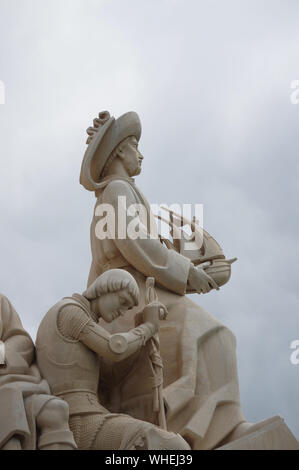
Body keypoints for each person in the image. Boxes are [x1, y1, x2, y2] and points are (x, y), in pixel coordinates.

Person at [79, 110, 248, 450]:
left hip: (146, 291)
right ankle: (208, 428)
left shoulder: (124, 192)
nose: (140, 154)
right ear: (118, 153)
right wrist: (188, 273)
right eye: (134, 145)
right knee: (210, 332)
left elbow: (149, 248)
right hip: (129, 299)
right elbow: (138, 245)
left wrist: (191, 267)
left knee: (213, 334)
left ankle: (222, 425)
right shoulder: (115, 191)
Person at [35, 269, 190, 450]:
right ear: (105, 288)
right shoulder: (70, 312)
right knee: (172, 446)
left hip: (90, 415)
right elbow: (115, 348)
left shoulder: (85, 323)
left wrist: (143, 334)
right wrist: (148, 327)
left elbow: (112, 373)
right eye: (122, 301)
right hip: (78, 419)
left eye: (128, 308)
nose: (122, 312)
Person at [0, 294, 76, 450]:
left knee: (55, 410)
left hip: (10, 380)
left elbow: (21, 340)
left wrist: (2, 354)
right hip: (6, 391)